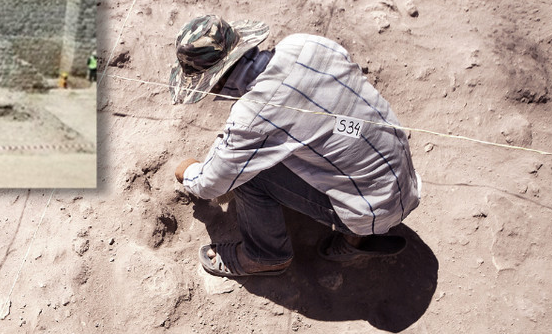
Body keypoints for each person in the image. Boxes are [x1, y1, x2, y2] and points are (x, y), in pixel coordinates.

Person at [169, 15, 420, 278]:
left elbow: (212, 184)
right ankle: (355, 239)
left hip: (370, 210)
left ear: (216, 81)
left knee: (245, 175)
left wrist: (189, 173)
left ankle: (265, 256)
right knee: (330, 136)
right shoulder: (304, 44)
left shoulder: (252, 116)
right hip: (404, 181)